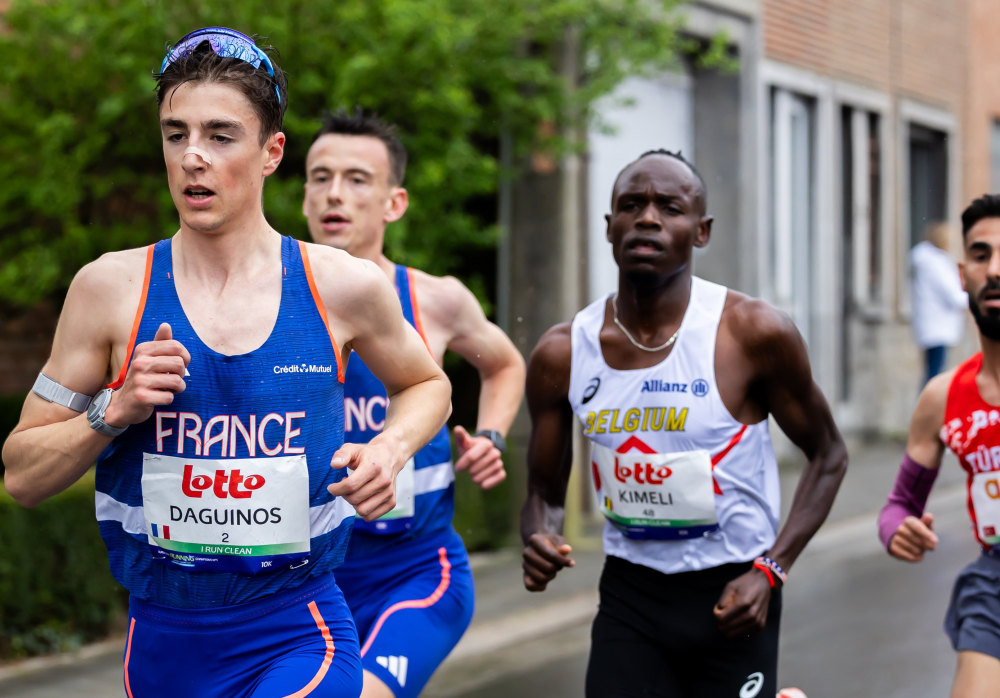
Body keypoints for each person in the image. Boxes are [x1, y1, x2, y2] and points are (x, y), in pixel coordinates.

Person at [0, 29, 451, 698]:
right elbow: (22, 475)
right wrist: (111, 410)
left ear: (271, 153)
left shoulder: (341, 284)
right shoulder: (108, 289)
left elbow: (426, 384)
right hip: (159, 647)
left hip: (298, 632)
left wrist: (389, 449)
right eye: (175, 134)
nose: (193, 158)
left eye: (219, 135)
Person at [520, 150, 848, 698]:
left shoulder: (752, 334)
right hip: (631, 593)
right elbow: (543, 490)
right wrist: (538, 534)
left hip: (735, 590)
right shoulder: (563, 353)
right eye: (632, 205)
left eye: (669, 207)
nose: (648, 218)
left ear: (702, 231)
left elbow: (829, 456)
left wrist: (772, 570)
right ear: (609, 227)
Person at [302, 110, 526, 698]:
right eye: (320, 177)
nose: (334, 194)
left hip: (416, 575)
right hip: (308, 583)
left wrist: (492, 435)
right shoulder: (268, 306)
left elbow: (504, 364)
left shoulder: (434, 300)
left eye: (357, 179)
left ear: (393, 203)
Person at [879, 194, 1000, 698]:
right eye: (980, 255)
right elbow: (898, 506)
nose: (995, 269)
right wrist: (897, 531)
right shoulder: (943, 397)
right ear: (961, 274)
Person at [911, 220, 968, 385]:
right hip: (938, 327)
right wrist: (972, 298)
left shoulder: (927, 262)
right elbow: (953, 294)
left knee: (933, 372)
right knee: (935, 375)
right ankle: (930, 409)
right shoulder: (936, 264)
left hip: (932, 326)